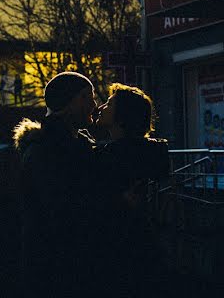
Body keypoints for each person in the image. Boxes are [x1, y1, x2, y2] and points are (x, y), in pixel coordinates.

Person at [12, 71, 99, 297]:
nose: (94, 104)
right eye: (87, 97)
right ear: (71, 101)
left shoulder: (64, 146)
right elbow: (63, 209)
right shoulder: (47, 151)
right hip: (54, 267)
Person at [93, 83, 170, 296]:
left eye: (108, 104)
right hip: (147, 247)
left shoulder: (108, 156)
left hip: (115, 248)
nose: (101, 107)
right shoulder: (152, 152)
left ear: (121, 115)